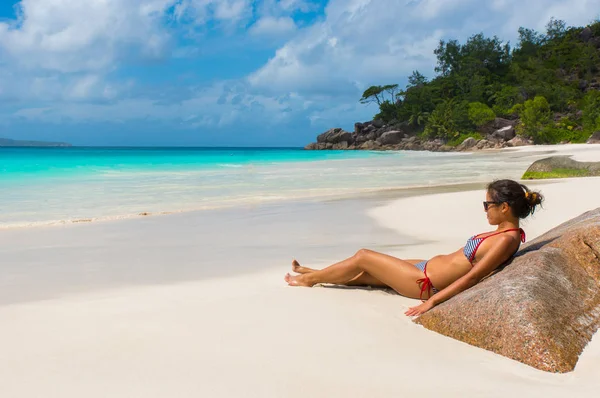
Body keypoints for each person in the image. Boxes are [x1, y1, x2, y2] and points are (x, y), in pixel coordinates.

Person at [284, 179, 543, 316]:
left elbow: (474, 276)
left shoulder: (506, 240)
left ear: (504, 207)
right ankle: (316, 272)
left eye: (487, 205)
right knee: (367, 273)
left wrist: (432, 302)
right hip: (424, 268)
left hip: (424, 283)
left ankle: (311, 280)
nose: (485, 209)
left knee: (363, 256)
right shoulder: (505, 232)